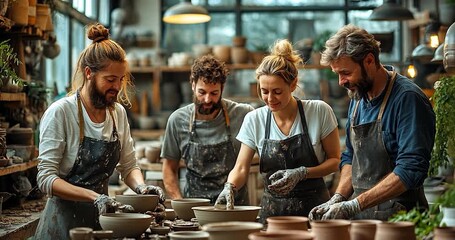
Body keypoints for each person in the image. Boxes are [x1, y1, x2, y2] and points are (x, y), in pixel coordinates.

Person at [34, 23, 165, 239]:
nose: (117, 86)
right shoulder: (61, 113)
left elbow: (129, 165)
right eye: (110, 80)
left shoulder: (117, 114)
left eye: (121, 80)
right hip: (61, 226)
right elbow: (46, 178)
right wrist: (95, 197)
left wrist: (142, 188)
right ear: (88, 73)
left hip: (102, 224)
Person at [308, 24, 436, 221]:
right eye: (338, 74)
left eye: (346, 73)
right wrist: (338, 198)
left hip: (401, 220)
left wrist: (355, 203)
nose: (341, 81)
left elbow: (411, 169)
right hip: (363, 217)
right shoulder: (357, 97)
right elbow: (351, 157)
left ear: (369, 60)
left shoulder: (408, 99)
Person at [214, 39, 341, 223]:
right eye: (264, 91)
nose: (270, 98)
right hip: (272, 214)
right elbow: (241, 167)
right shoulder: (254, 119)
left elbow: (334, 161)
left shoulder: (318, 111)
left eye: (277, 91)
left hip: (314, 213)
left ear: (293, 84)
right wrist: (230, 187)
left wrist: (302, 172)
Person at [161, 55, 254, 204]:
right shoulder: (177, 120)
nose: (207, 100)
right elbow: (169, 169)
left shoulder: (243, 114)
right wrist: (179, 204)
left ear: (222, 88)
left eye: (214, 93)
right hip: (194, 209)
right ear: (192, 85)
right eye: (202, 92)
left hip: (235, 208)